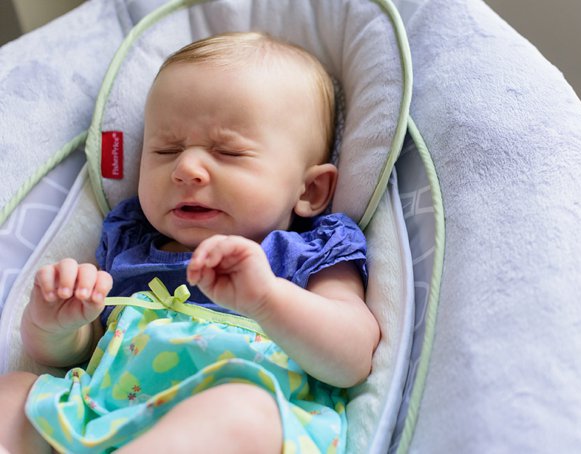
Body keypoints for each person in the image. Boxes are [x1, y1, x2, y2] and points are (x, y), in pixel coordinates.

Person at [0, 31, 376, 453]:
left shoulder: (309, 251)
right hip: (107, 417)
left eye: (228, 152)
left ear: (309, 191)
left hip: (242, 424)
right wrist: (56, 324)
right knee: (14, 394)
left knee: (245, 412)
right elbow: (78, 350)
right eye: (165, 149)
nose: (186, 168)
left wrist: (267, 299)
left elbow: (354, 358)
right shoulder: (130, 239)